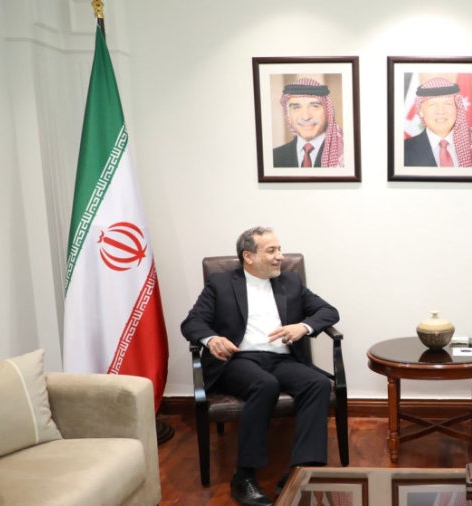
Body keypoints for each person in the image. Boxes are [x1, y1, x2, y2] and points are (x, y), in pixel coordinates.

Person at [181, 226, 339, 506]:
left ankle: (301, 470)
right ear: (249, 256)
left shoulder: (290, 282)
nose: (280, 256)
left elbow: (328, 311)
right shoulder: (221, 283)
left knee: (317, 384)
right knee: (265, 385)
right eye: (272, 250)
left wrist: (303, 327)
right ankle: (244, 477)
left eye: (280, 249)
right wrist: (212, 339)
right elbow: (192, 322)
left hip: (282, 358)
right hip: (238, 359)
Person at [404, 77, 472, 167]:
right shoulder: (403, 150)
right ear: (421, 111)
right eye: (432, 104)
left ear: (457, 108)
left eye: (448, 104)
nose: (441, 111)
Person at [273, 78, 344, 168]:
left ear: (327, 112)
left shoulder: (345, 154)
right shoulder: (274, 157)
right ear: (288, 114)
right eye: (296, 107)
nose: (306, 117)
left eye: (314, 106)